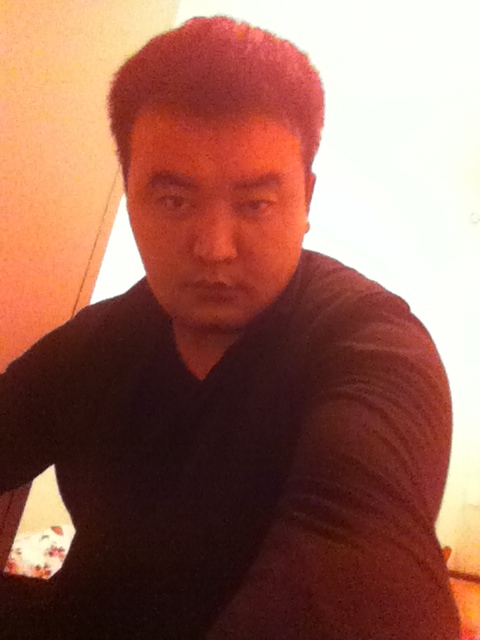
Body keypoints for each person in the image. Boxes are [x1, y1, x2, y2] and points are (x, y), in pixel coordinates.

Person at [0, 15, 460, 639]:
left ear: (307, 199)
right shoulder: (97, 343)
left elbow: (358, 571)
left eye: (255, 204)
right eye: (174, 200)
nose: (215, 248)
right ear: (130, 198)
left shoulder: (374, 346)